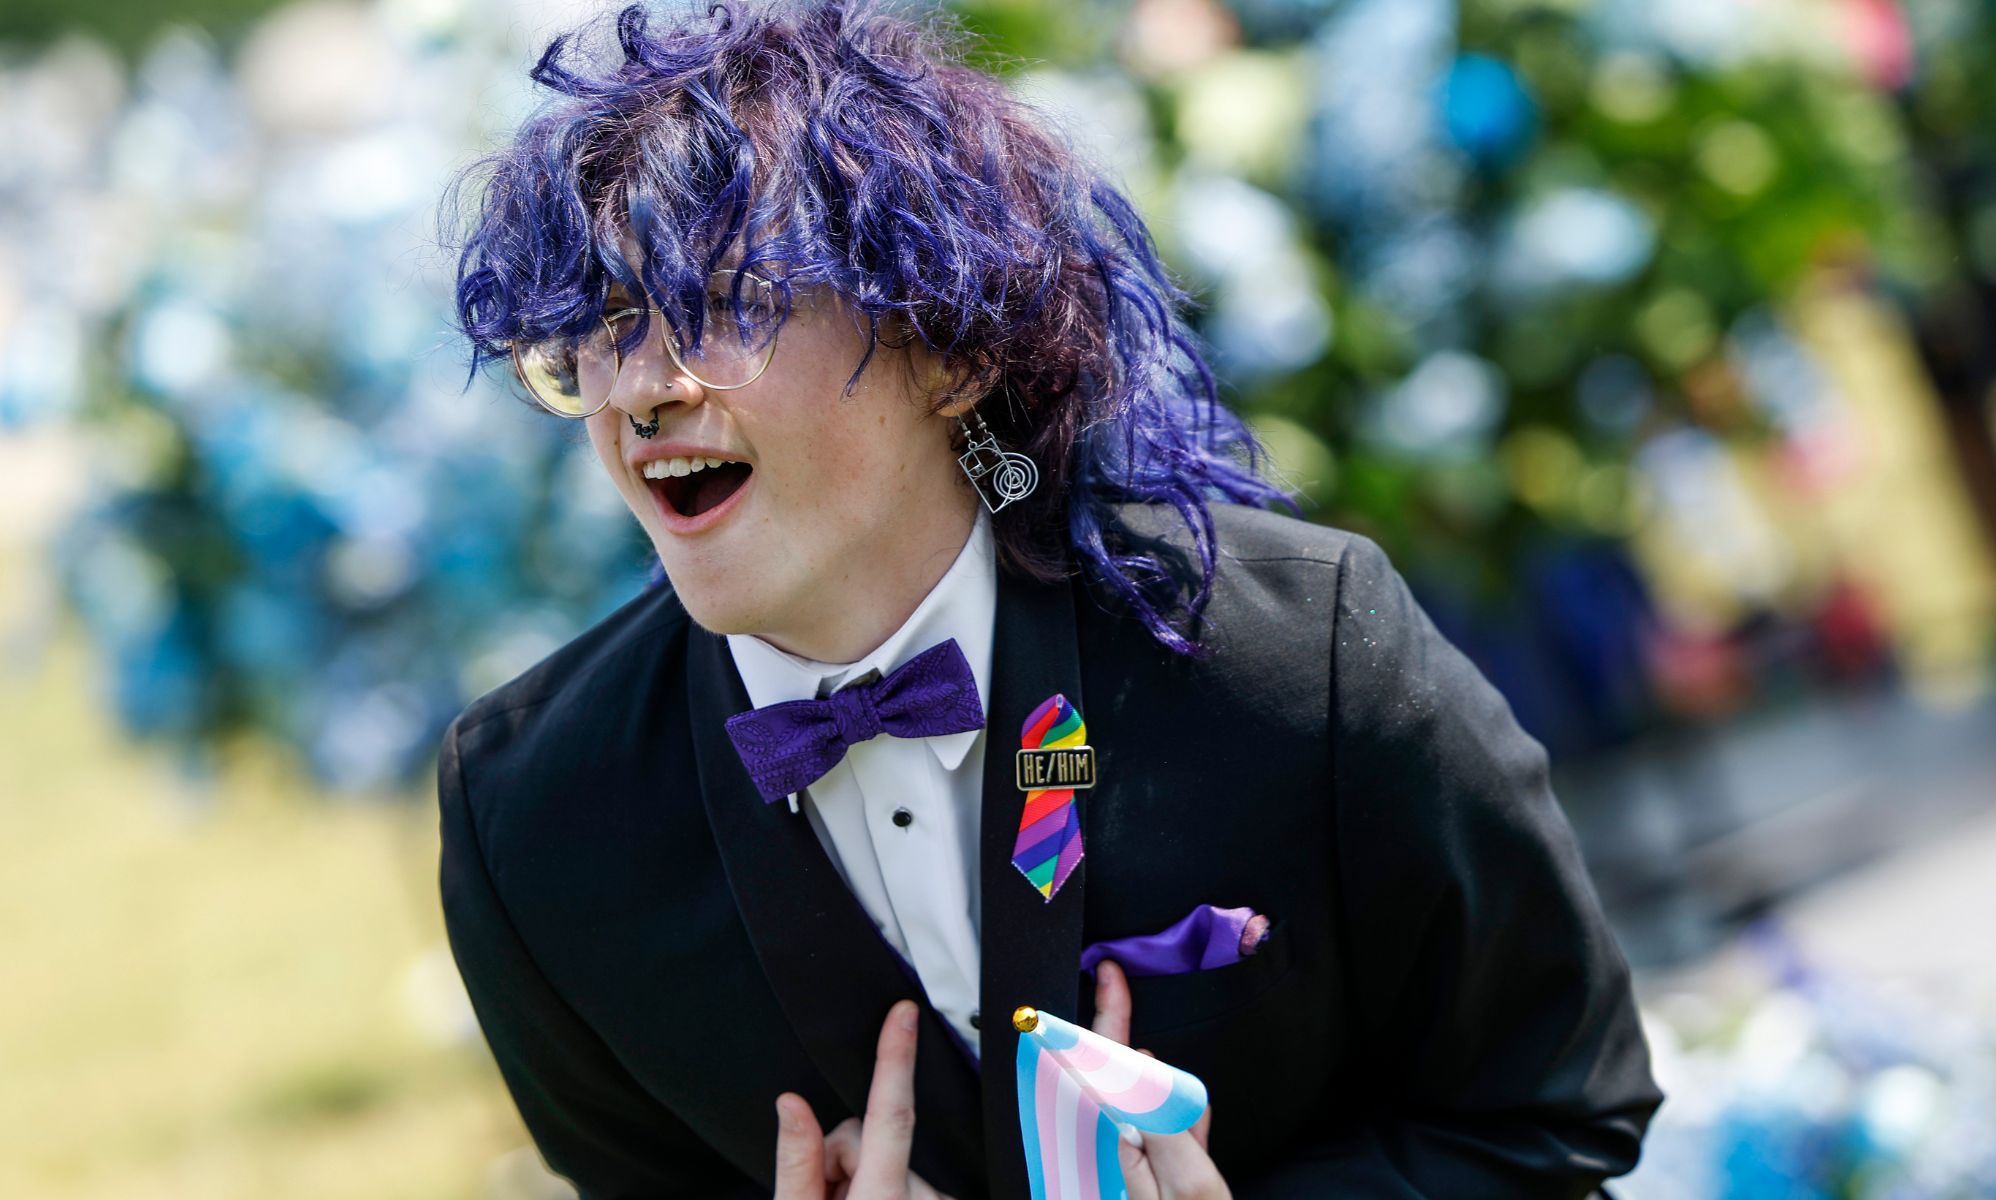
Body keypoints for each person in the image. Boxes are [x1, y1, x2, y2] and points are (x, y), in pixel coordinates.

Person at [436, 2, 1664, 1197]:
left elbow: (1556, 1113)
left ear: (954, 347)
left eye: (726, 305)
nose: (639, 391)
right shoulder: (531, 820)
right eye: (601, 325)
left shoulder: (1304, 660)